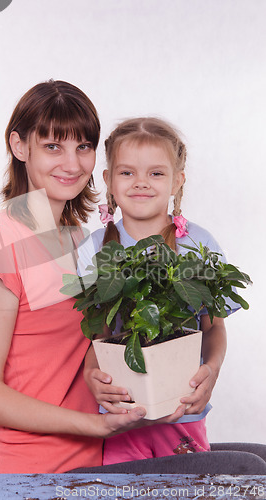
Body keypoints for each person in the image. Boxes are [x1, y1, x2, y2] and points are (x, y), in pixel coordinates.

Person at [0, 82, 153, 487]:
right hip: (24, 475)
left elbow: (93, 350)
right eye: (53, 146)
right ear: (19, 146)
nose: (72, 163)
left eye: (83, 146)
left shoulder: (84, 241)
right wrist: (91, 425)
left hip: (95, 469)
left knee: (250, 463)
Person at [78, 117, 240, 466]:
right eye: (126, 173)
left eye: (156, 173)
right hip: (121, 416)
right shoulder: (94, 248)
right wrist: (94, 376)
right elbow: (96, 332)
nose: (140, 183)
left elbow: (213, 326)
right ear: (107, 180)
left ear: (177, 181)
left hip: (182, 413)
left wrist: (210, 371)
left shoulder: (198, 244)